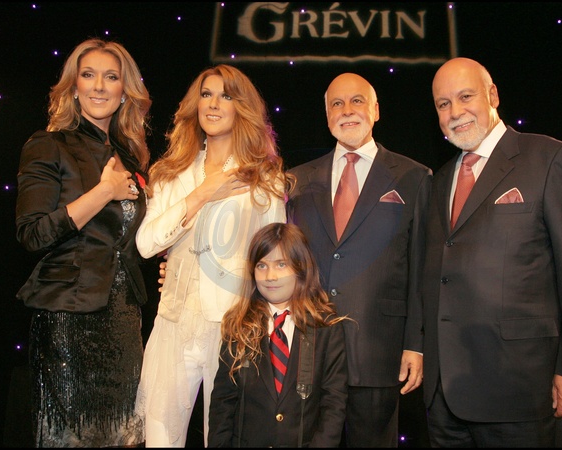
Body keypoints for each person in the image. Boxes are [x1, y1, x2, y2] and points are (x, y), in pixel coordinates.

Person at [421, 57, 562, 447]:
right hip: (444, 397)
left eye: (465, 97)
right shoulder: (439, 181)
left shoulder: (549, 158)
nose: (455, 112)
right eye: (443, 104)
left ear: (492, 95)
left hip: (522, 390)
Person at [134, 64, 294, 447]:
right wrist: (204, 192)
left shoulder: (263, 177)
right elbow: (146, 244)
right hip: (173, 321)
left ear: (242, 107)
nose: (213, 104)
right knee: (160, 438)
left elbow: (272, 257)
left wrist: (268, 325)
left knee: (224, 437)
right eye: (206, 94)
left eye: (226, 96)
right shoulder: (171, 172)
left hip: (232, 327)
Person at [15, 38, 152, 447]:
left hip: (124, 319)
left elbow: (132, 238)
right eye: (88, 75)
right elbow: (33, 233)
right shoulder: (49, 144)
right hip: (69, 319)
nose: (99, 86)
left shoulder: (131, 158)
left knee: (123, 436)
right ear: (74, 87)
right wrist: (103, 192)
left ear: (124, 91)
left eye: (111, 77)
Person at [286, 72, 432, 447]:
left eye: (357, 101)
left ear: (376, 110)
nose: (347, 110)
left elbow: (422, 269)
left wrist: (415, 343)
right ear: (326, 115)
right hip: (309, 349)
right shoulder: (296, 181)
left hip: (379, 349)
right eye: (337, 103)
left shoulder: (415, 177)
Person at [207, 222, 349, 447]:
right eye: (262, 265)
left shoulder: (326, 327)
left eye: (281, 264)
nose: (270, 276)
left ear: (301, 268)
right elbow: (223, 402)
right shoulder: (239, 325)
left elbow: (333, 404)